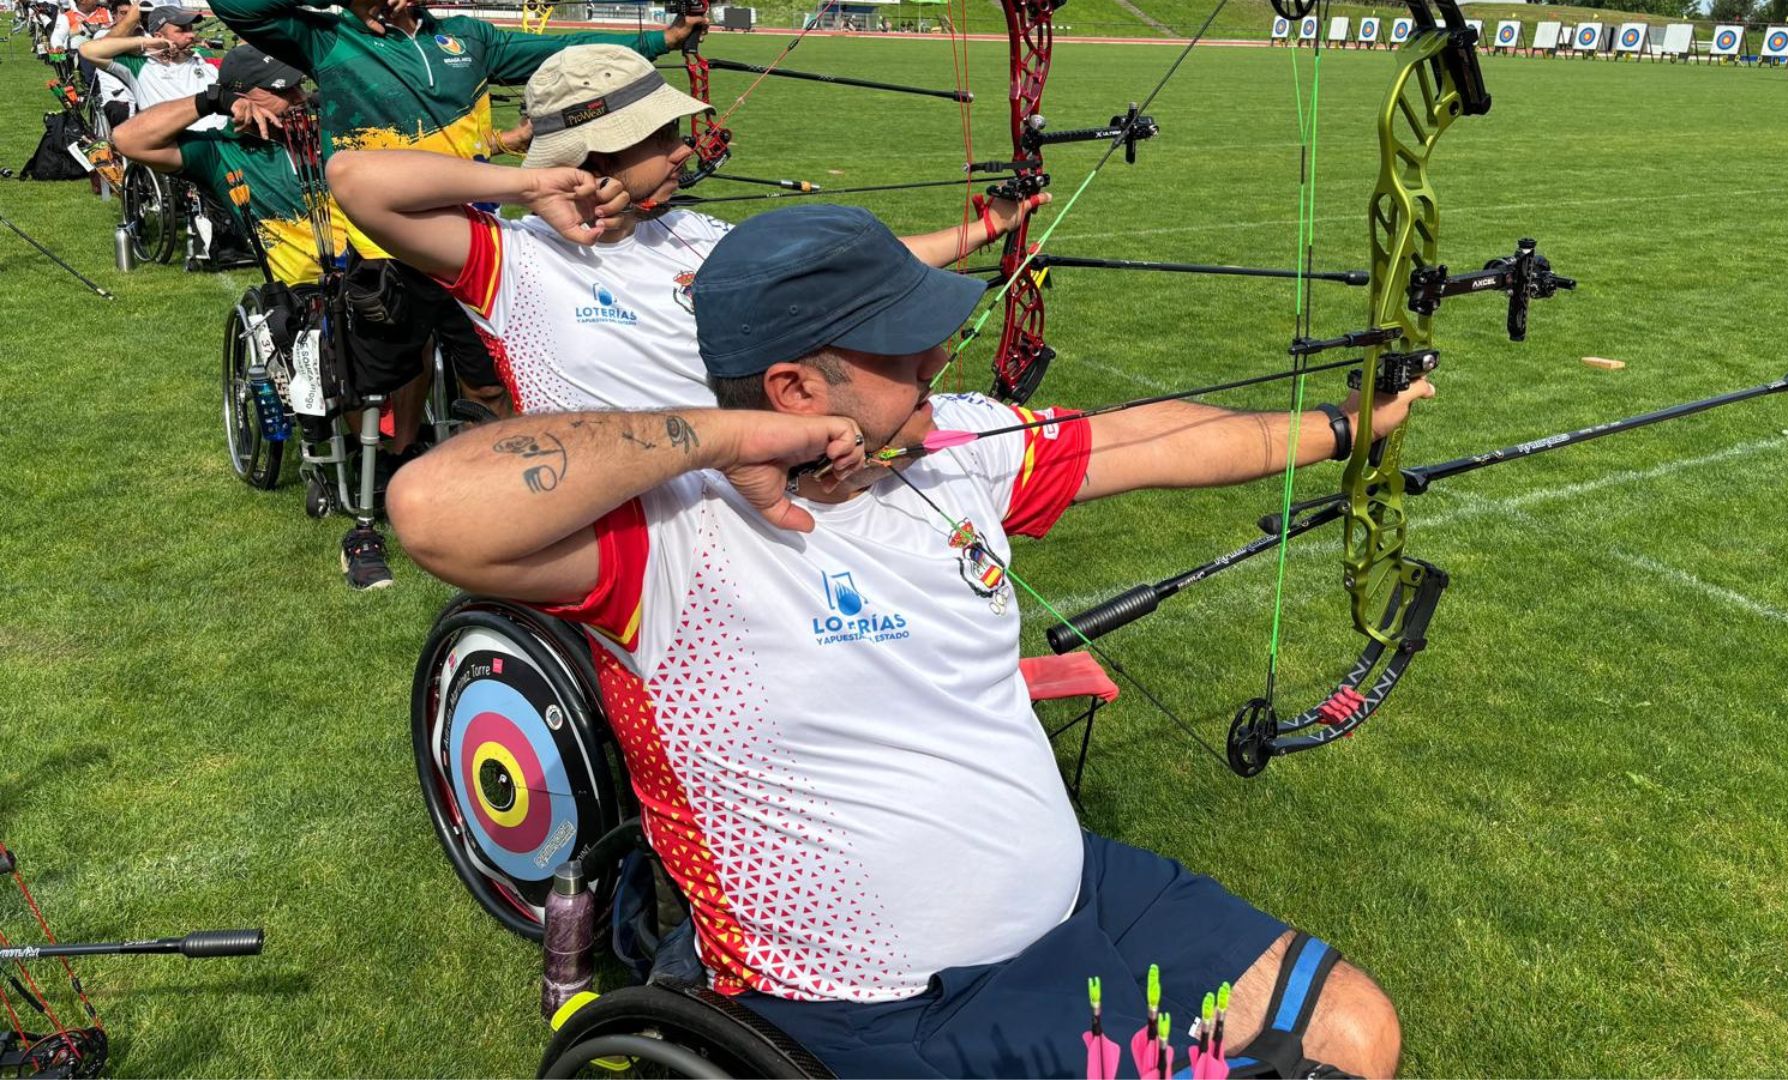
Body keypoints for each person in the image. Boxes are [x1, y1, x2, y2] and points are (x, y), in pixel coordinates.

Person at [386, 204, 1427, 1077]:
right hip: (884, 1007)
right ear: (794, 390)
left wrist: (1346, 428)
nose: (938, 352)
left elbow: (1138, 438)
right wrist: (731, 438)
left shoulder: (955, 448)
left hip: (1079, 898)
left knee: (1355, 1030)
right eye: (898, 345)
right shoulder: (668, 534)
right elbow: (433, 508)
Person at [210, 0, 708, 586]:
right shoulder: (326, 37)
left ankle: (492, 492)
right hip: (388, 245)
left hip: (476, 234)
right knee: (387, 382)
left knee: (490, 378)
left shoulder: (467, 37)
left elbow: (562, 50)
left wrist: (665, 40)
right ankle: (372, 504)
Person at [326, 44, 1050, 415]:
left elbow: (863, 265)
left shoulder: (693, 234)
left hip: (742, 485)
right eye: (659, 136)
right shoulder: (509, 257)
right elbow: (356, 181)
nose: (683, 150)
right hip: (619, 520)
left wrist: (993, 223)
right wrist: (532, 182)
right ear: (591, 153)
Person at [111, 45, 334, 285]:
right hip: (308, 292)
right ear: (242, 99)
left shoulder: (325, 128)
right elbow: (126, 139)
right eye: (283, 90)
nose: (300, 97)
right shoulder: (219, 151)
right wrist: (211, 100)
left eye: (299, 86)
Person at [79, 5, 222, 127]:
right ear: (159, 36)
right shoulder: (140, 64)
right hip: (180, 145)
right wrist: (145, 40)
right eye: (182, 30)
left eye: (191, 28)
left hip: (223, 138)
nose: (191, 35)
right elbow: (88, 50)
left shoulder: (203, 58)